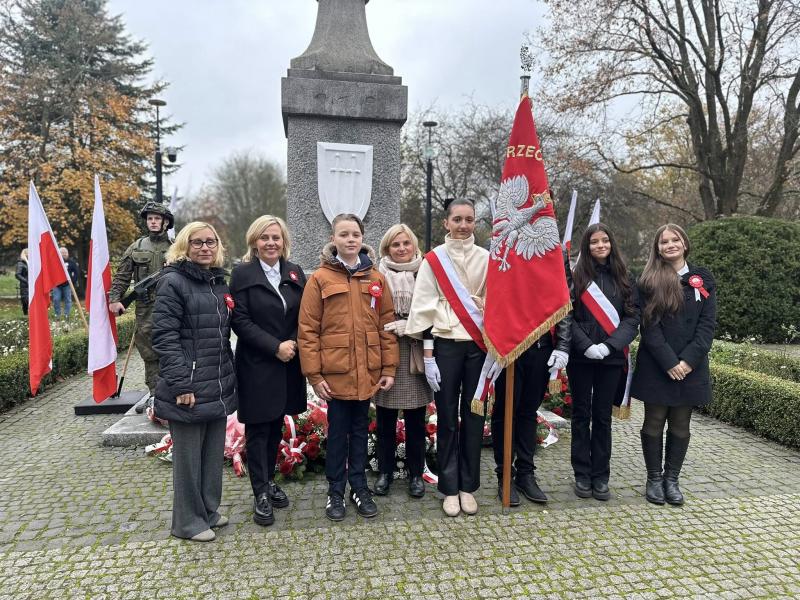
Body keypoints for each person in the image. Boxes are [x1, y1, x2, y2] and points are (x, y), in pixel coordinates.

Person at [298, 213, 398, 522]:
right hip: (336, 375)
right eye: (344, 234)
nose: (350, 239)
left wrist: (389, 368)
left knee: (359, 432)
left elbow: (387, 326)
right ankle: (335, 491)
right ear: (333, 239)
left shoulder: (376, 279)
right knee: (338, 433)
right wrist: (314, 376)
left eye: (355, 234)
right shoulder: (320, 279)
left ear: (362, 238)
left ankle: (359, 486)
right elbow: (308, 330)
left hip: (366, 373)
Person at [152, 221, 237, 542]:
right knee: (188, 460)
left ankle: (208, 510)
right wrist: (181, 385)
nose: (204, 247)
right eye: (197, 242)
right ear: (184, 247)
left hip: (215, 383)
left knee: (212, 454)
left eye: (210, 242)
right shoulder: (173, 282)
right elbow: (164, 337)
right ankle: (187, 522)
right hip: (187, 385)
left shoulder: (217, 282)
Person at [406, 198, 489, 517]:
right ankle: (449, 487)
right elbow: (424, 308)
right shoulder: (433, 260)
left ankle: (468, 486)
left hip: (478, 346)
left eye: (469, 219)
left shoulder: (487, 258)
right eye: (457, 219)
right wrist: (428, 357)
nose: (464, 225)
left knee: (473, 416)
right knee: (447, 417)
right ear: (446, 223)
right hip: (445, 345)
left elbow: (497, 300)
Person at [631, 223, 716, 506]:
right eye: (663, 241)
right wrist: (670, 362)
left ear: (684, 243)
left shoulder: (702, 279)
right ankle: (654, 479)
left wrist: (688, 361)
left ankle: (672, 480)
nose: (670, 245)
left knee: (681, 424)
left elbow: (707, 325)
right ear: (657, 248)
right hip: (658, 364)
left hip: (691, 365)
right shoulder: (647, 280)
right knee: (654, 422)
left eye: (674, 239)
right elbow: (649, 327)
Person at [230, 215, 307, 527]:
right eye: (264, 238)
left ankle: (269, 480)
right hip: (258, 363)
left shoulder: (294, 272)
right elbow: (240, 320)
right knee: (259, 431)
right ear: (254, 242)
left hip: (289, 363)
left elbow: (306, 313)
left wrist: (297, 342)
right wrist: (275, 346)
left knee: (275, 426)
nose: (271, 243)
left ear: (283, 241)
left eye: (276, 237)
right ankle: (260, 491)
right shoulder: (242, 274)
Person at [490, 253, 573, 507]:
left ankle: (526, 473)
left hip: (542, 346)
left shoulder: (555, 251)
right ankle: (505, 475)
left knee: (528, 412)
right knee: (505, 412)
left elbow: (565, 300)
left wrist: (563, 345)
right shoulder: (505, 244)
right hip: (511, 346)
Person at [567, 223, 639, 501]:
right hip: (581, 358)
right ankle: (581, 474)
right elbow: (567, 316)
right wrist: (586, 346)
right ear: (587, 246)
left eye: (605, 240)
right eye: (594, 242)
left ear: (611, 244)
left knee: (602, 418)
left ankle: (601, 476)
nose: (600, 246)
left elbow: (632, 317)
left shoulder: (624, 277)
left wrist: (609, 346)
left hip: (611, 359)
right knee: (581, 415)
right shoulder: (575, 278)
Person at [372, 224, 433, 499]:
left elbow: (434, 310)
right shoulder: (376, 275)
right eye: (395, 244)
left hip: (416, 352)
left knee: (415, 421)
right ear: (387, 248)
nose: (401, 249)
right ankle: (384, 472)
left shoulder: (425, 271)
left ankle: (415, 474)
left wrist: (409, 325)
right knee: (385, 419)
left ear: (414, 245)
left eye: (406, 243)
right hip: (385, 353)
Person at [108, 202, 174, 400]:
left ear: (166, 222)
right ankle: (155, 395)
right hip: (146, 307)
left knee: (173, 347)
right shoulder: (136, 247)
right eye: (150, 219)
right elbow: (122, 276)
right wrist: (115, 299)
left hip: (173, 306)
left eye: (157, 219)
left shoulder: (177, 248)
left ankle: (174, 390)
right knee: (149, 351)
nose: (153, 222)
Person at [51, 247, 78, 319]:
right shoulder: (54, 262)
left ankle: (67, 315)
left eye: (65, 253)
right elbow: (51, 272)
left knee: (68, 299)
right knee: (56, 299)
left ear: (68, 253)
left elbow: (76, 272)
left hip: (67, 285)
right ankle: (58, 315)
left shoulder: (71, 262)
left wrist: (72, 281)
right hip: (57, 284)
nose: (64, 254)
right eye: (62, 253)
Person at [15, 249, 28, 316]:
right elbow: (17, 274)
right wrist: (26, 281)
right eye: (27, 253)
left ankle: (32, 314)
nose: (28, 255)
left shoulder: (31, 262)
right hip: (24, 285)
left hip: (32, 285)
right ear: (24, 254)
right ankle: (25, 314)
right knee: (25, 300)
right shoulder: (20, 263)